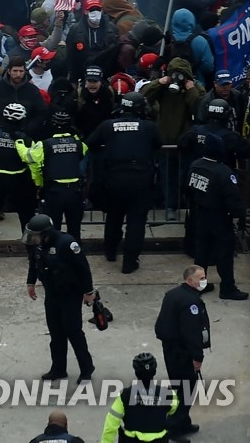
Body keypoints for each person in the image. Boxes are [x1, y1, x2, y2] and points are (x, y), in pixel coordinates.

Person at [87, 92, 162, 273]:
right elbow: (159, 143)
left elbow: (90, 143)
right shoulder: (148, 127)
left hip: (114, 177)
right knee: (136, 222)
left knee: (114, 216)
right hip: (140, 178)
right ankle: (129, 262)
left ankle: (110, 252)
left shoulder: (108, 126)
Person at [23, 214, 96, 383]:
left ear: (46, 233)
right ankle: (58, 369)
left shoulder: (67, 243)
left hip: (70, 295)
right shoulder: (38, 245)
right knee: (56, 334)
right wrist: (30, 282)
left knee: (74, 332)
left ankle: (86, 369)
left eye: (36, 235)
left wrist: (88, 291)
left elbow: (83, 269)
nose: (33, 239)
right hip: (52, 294)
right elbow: (34, 263)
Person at [185, 135, 249, 300]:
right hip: (220, 217)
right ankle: (227, 288)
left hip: (200, 214)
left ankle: (198, 285)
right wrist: (239, 215)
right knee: (225, 253)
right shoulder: (223, 172)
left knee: (201, 251)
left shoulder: (196, 165)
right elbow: (233, 199)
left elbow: (189, 189)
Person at [0, 103, 41, 257]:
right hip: (20, 181)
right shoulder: (26, 140)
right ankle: (32, 250)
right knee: (26, 216)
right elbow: (34, 163)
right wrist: (37, 183)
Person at [154, 265, 211, 438]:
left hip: (171, 348)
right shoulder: (190, 302)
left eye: (204, 277)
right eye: (200, 278)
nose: (204, 281)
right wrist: (197, 356)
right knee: (186, 389)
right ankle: (174, 427)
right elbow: (191, 332)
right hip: (182, 352)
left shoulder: (173, 294)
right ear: (190, 280)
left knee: (180, 387)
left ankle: (183, 422)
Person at [24, 109, 87, 240]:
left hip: (54, 191)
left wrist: (38, 182)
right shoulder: (79, 144)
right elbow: (82, 155)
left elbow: (30, 158)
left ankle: (53, 256)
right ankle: (74, 254)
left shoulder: (45, 144)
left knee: (52, 230)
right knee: (75, 229)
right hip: (75, 191)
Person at [100, 353, 185, 443]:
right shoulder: (168, 394)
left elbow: (111, 425)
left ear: (136, 372)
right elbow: (172, 409)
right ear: (154, 371)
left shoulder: (125, 395)